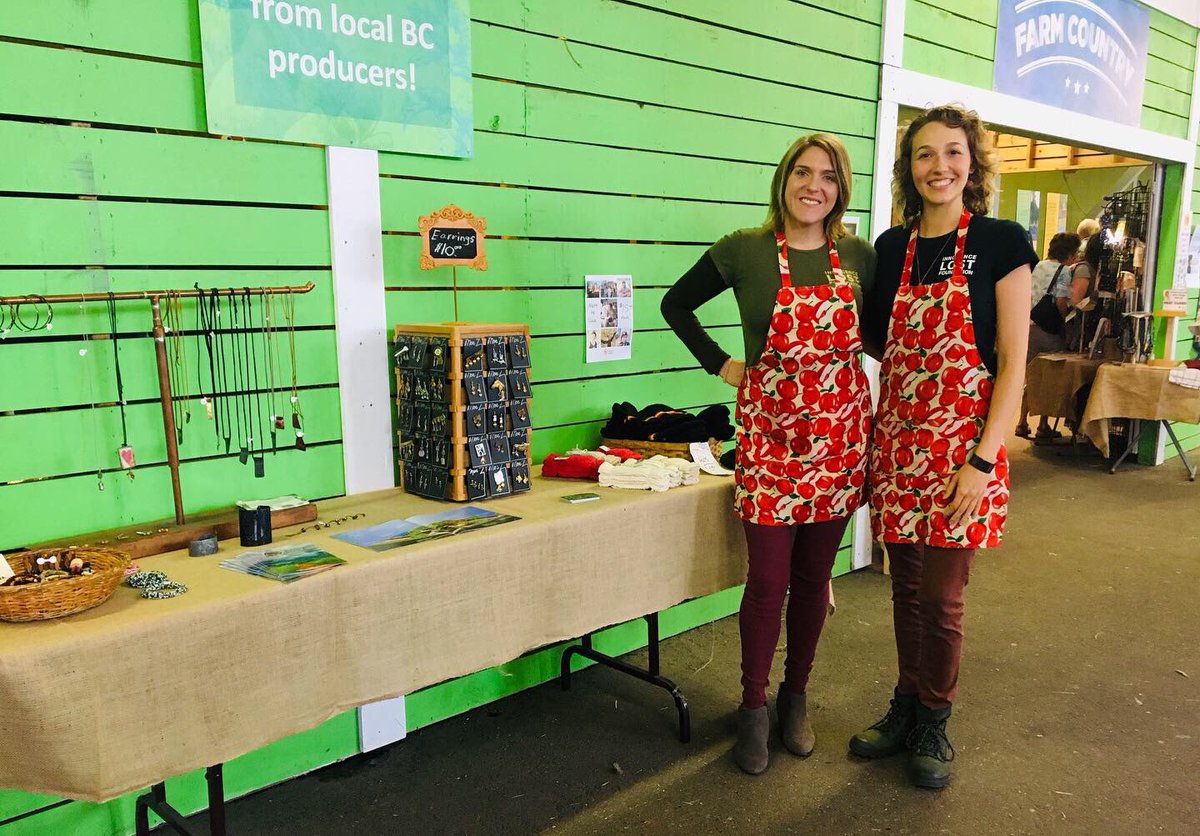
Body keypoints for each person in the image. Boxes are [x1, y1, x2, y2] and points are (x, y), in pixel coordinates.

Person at [661, 133, 876, 775]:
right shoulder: (744, 251)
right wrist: (721, 364)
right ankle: (752, 705)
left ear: (841, 189)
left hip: (839, 443)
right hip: (771, 441)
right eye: (803, 173)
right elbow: (675, 305)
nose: (815, 186)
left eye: (829, 177)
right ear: (782, 180)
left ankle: (795, 697)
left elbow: (893, 339)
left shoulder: (861, 257)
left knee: (814, 581)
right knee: (767, 581)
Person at [857, 104, 1036, 789]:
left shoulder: (1000, 241)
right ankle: (905, 703)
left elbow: (1014, 364)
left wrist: (984, 460)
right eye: (925, 154)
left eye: (953, 153)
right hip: (900, 445)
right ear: (910, 167)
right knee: (903, 589)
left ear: (973, 162)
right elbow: (881, 338)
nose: (940, 167)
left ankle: (935, 715)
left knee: (942, 596)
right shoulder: (892, 248)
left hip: (966, 450)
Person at [1017, 231, 1081, 439]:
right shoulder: (1063, 271)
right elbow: (1061, 302)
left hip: (1028, 325)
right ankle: (1043, 425)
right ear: (1071, 254)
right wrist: (1065, 324)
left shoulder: (1039, 265)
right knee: (1047, 377)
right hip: (1048, 330)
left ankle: (1021, 421)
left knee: (1031, 374)